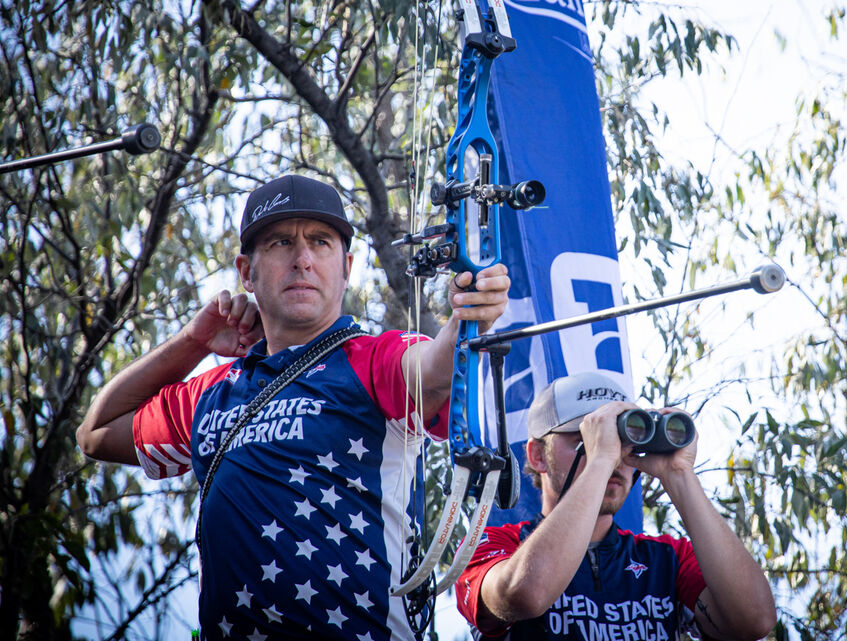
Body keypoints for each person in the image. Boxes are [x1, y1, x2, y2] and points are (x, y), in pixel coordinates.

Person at [76, 174, 510, 640]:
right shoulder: (214, 392)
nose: (302, 260)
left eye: (319, 242)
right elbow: (97, 434)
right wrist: (194, 342)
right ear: (247, 272)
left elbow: (436, 368)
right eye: (282, 242)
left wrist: (468, 313)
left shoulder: (371, 358)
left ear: (346, 267)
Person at [455, 371, 777, 640]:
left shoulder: (665, 559)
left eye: (625, 442)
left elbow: (754, 621)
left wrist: (679, 475)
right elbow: (527, 593)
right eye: (585, 441)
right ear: (537, 455)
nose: (615, 457)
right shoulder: (494, 547)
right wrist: (600, 460)